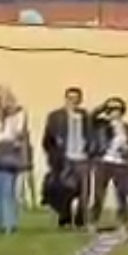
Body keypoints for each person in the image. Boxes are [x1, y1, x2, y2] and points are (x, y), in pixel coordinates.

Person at [41, 86, 95, 229]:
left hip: (83, 158)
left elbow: (92, 135)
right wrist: (53, 157)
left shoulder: (86, 116)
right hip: (65, 159)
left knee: (84, 191)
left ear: (80, 100)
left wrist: (91, 150)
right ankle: (65, 220)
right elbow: (47, 140)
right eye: (70, 98)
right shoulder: (55, 117)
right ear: (65, 99)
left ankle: (80, 221)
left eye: (76, 99)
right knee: (65, 190)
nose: (73, 101)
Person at [88, 97, 128, 230]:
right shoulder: (101, 125)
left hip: (121, 164)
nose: (115, 113)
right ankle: (93, 221)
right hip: (103, 162)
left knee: (122, 195)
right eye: (111, 110)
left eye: (118, 110)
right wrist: (104, 106)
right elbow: (91, 117)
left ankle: (123, 223)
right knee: (98, 194)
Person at [0, 86, 29, 235]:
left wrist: (7, 116)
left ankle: (10, 223)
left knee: (8, 190)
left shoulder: (18, 114)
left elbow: (18, 133)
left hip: (9, 152)